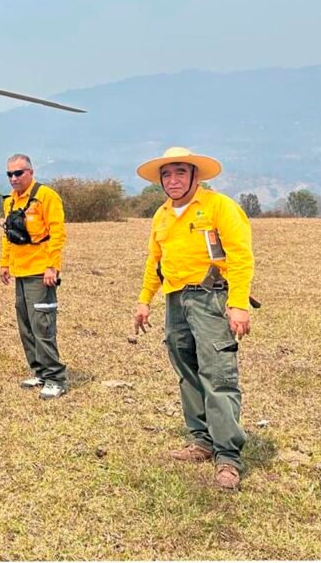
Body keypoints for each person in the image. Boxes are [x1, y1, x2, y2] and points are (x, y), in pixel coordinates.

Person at [132, 146, 255, 492]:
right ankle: (200, 440)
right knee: (187, 371)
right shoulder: (161, 215)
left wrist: (239, 303)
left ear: (195, 176)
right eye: (167, 174)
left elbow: (241, 256)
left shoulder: (219, 207)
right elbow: (154, 262)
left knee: (218, 374)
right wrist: (144, 301)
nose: (173, 180)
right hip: (175, 300)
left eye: (180, 173)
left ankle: (227, 456)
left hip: (212, 298)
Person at [0, 154, 68, 400]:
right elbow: (8, 235)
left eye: (19, 173)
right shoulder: (10, 202)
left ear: (31, 172)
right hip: (20, 271)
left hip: (40, 272)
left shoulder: (46, 196)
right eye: (10, 174)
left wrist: (52, 267)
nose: (14, 178)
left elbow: (58, 233)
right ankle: (39, 371)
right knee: (26, 325)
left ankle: (55, 377)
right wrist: (5, 263)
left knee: (42, 325)